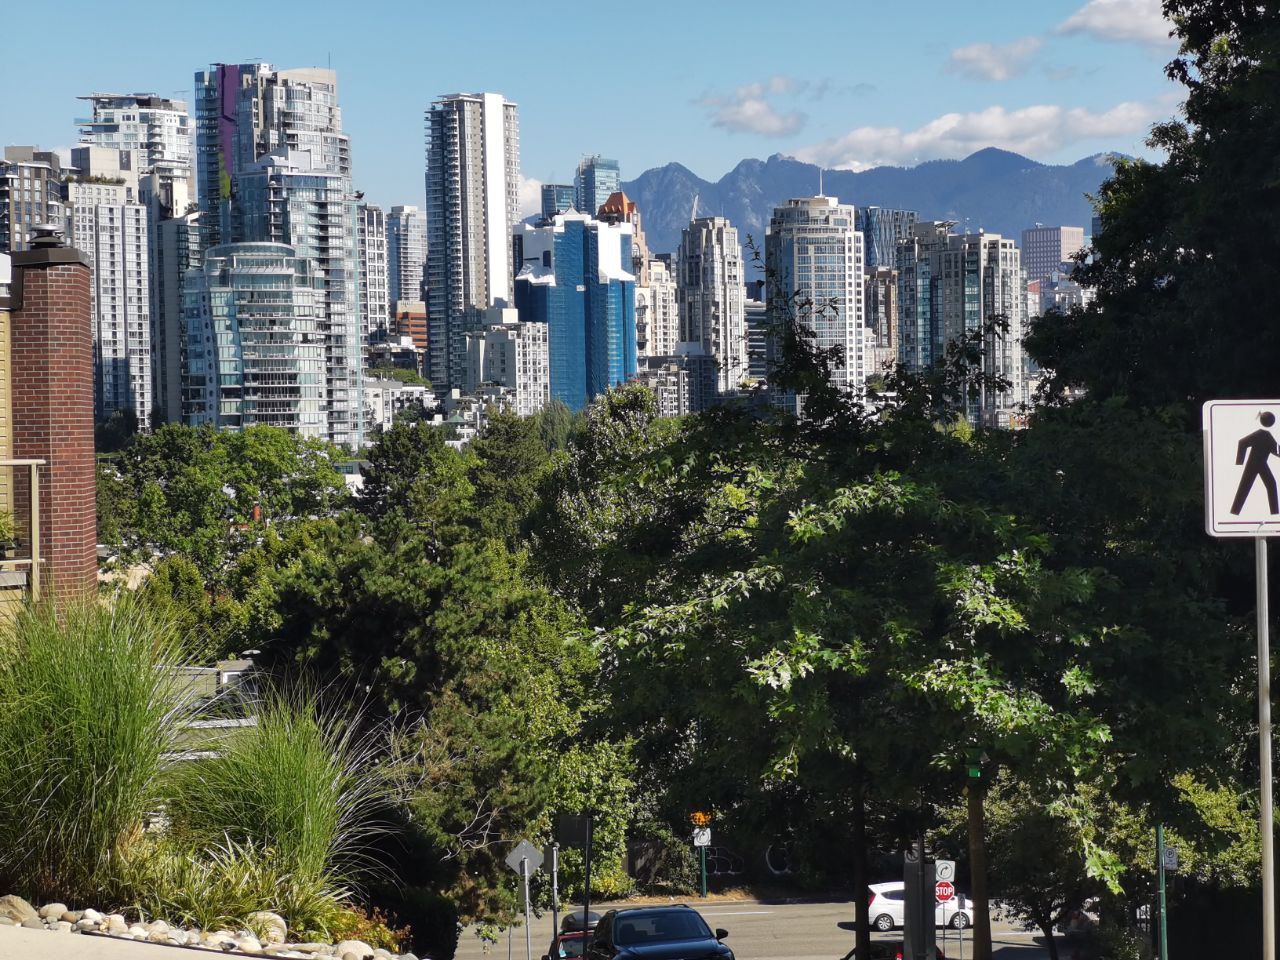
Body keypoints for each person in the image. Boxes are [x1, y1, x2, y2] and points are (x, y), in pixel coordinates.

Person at [1231, 411, 1280, 515]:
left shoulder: (1267, 435)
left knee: (1270, 484)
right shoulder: (1261, 434)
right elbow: (1242, 442)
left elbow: (1276, 451)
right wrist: (1240, 462)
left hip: (1261, 464)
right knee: (1245, 487)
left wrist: (1240, 462)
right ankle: (1235, 512)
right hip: (1253, 464)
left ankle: (1275, 514)